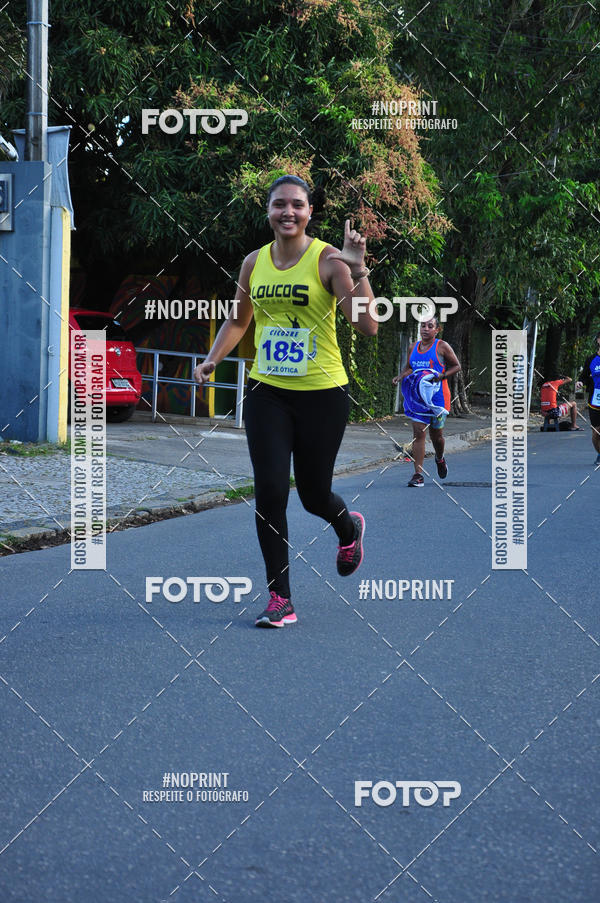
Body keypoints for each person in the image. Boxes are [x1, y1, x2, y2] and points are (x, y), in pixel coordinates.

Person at [194, 175, 378, 627]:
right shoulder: (253, 263)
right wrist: (212, 360)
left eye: (297, 204)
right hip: (267, 391)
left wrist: (357, 269)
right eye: (280, 204)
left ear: (309, 212)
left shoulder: (329, 260)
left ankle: (348, 527)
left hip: (323, 394)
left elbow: (368, 325)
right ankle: (281, 598)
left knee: (314, 494)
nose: (288, 212)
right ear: (269, 211)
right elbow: (239, 321)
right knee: (271, 492)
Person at [392, 316, 461, 487]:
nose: (425, 329)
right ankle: (418, 475)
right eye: (423, 325)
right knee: (418, 434)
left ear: (437, 330)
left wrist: (442, 376)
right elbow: (410, 367)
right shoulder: (412, 347)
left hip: (438, 399)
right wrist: (400, 376)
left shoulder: (442, 346)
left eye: (430, 326)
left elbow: (456, 366)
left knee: (436, 437)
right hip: (418, 399)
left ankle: (439, 458)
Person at [577, 329, 600, 464]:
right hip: (595, 400)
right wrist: (580, 382)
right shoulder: (591, 360)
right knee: (596, 433)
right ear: (598, 340)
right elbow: (583, 376)